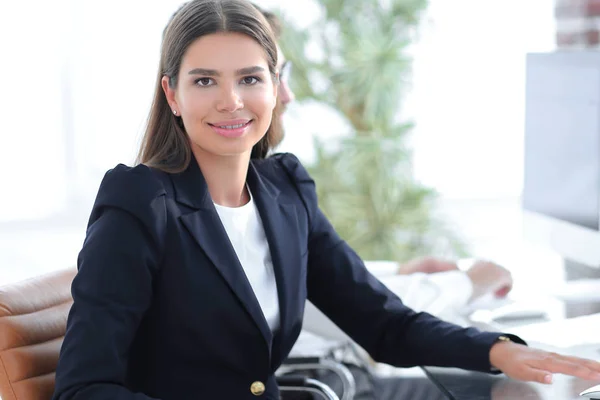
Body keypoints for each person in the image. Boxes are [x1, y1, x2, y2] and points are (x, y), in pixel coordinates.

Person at [52, 1, 600, 399]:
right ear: (171, 93)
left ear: (275, 86)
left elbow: (383, 322)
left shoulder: (284, 191)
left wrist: (498, 350)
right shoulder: (141, 201)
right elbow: (83, 387)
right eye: (204, 82)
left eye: (249, 78)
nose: (231, 101)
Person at [257, 5, 513, 318]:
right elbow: (350, 311)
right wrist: (468, 282)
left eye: (282, 75)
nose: (286, 95)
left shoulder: (267, 181)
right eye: (265, 78)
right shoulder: (233, 193)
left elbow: (320, 280)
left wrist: (400, 271)